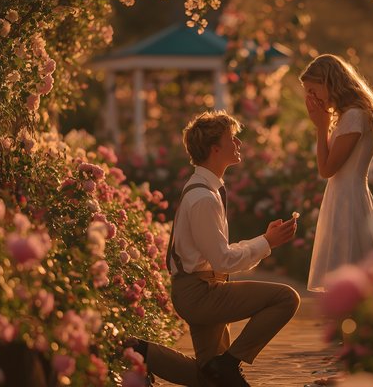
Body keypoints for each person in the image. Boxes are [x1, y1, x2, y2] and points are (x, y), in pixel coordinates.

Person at [124, 110, 300, 387]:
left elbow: (219, 254)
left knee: (210, 378)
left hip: (201, 288)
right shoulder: (203, 197)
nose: (239, 144)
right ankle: (230, 363)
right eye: (233, 138)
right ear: (215, 148)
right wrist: (267, 242)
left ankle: (140, 351)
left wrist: (265, 239)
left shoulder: (205, 190)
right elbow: (223, 260)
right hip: (200, 293)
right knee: (286, 298)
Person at [301, 54, 373, 292]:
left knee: (351, 271)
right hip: (342, 195)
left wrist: (321, 128)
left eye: (313, 90)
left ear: (329, 83)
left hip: (348, 199)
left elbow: (327, 169)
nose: (310, 98)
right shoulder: (348, 116)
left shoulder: (354, 116)